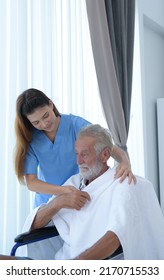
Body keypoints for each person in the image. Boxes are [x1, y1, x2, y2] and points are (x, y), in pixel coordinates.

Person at [8, 124, 163, 260]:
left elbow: (117, 234)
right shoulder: (74, 183)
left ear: (105, 155)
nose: (78, 161)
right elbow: (35, 224)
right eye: (76, 153)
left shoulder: (121, 185)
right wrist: (57, 203)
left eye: (85, 154)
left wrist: (77, 265)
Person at [15, 88, 136, 208]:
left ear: (51, 104)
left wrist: (125, 162)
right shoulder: (31, 138)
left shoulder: (75, 124)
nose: (43, 124)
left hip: (77, 198)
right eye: (36, 122)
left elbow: (108, 146)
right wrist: (63, 191)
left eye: (45, 116)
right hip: (47, 204)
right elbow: (31, 183)